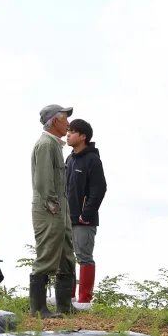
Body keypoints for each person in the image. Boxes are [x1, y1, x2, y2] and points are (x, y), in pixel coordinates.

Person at [30, 103, 77, 317]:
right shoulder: (46, 145)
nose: (68, 123)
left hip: (60, 209)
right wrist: (53, 206)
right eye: (65, 118)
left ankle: (64, 306)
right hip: (50, 209)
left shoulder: (55, 146)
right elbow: (43, 181)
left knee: (66, 255)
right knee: (48, 254)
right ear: (56, 120)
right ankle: (38, 309)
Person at [65, 118, 107, 310]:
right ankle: (69, 297)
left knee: (84, 256)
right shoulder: (69, 159)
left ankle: (85, 300)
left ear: (83, 136)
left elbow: (100, 189)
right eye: (67, 132)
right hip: (66, 217)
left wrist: (86, 213)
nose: (68, 135)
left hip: (84, 219)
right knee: (66, 257)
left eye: (72, 132)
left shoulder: (93, 160)